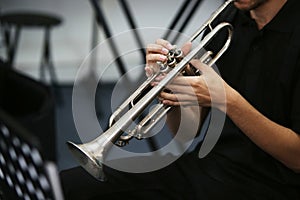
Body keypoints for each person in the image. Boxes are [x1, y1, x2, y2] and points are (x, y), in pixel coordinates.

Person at [61, 0, 300, 199]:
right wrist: (172, 85)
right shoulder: (229, 17)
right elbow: (186, 133)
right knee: (68, 187)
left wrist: (227, 100)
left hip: (274, 188)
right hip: (211, 169)